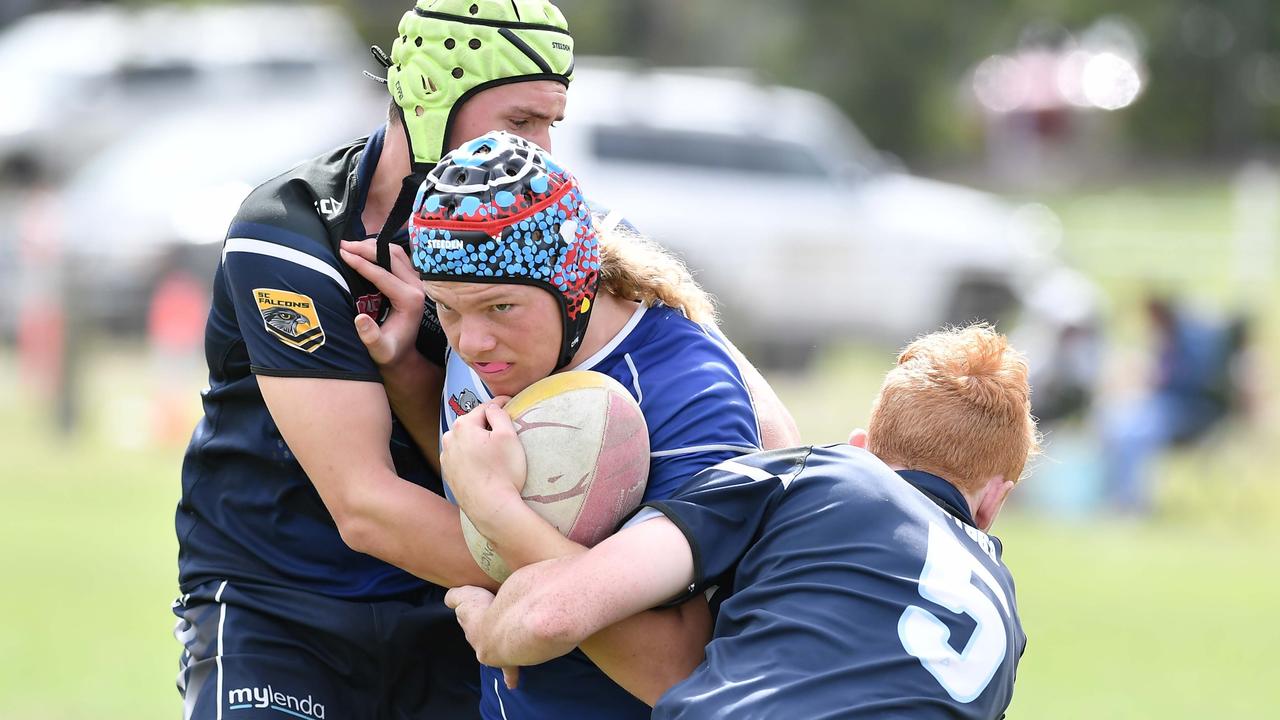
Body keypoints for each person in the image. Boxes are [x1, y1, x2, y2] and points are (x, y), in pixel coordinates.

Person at [339, 129, 780, 718]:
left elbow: (677, 672)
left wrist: (500, 523)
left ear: (575, 290)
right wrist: (408, 380)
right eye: (447, 307)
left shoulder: (691, 396)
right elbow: (478, 469)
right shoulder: (492, 344)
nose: (472, 342)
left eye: (500, 307)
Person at [444, 324, 1039, 719]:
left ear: (861, 446)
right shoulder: (1005, 620)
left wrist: (491, 615)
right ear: (993, 502)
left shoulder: (824, 475)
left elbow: (556, 611)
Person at [1101, 295, 1249, 513]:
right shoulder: (1173, 341)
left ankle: (1132, 504)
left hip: (1191, 414)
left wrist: (1161, 379)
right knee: (1117, 426)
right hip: (1166, 409)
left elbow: (1194, 384)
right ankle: (1119, 498)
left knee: (1134, 435)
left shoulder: (1192, 343)